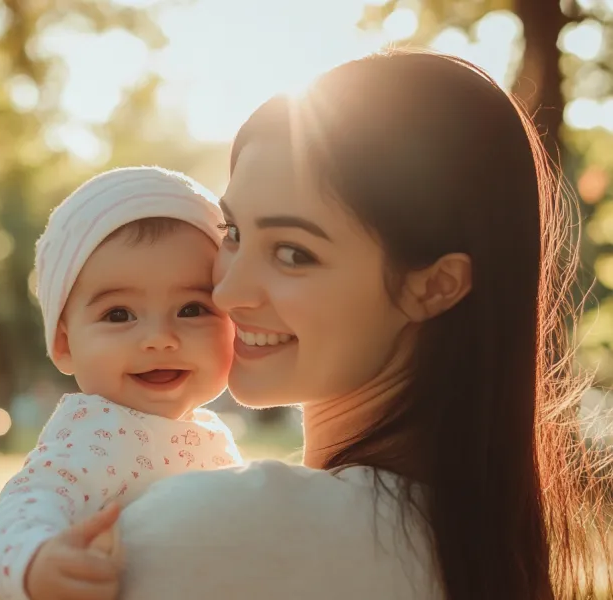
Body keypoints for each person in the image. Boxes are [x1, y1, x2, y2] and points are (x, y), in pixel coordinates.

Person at [114, 50, 611, 600]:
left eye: (293, 253)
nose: (227, 291)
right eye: (232, 231)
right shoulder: (488, 551)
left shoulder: (216, 529)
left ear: (434, 285)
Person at [0, 166, 242, 600]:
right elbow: (13, 518)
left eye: (192, 309)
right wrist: (38, 562)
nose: (159, 339)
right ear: (63, 344)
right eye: (119, 314)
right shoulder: (94, 434)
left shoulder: (207, 432)